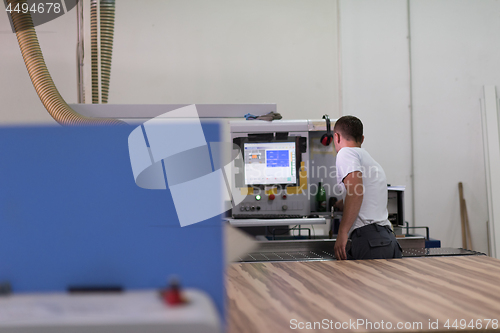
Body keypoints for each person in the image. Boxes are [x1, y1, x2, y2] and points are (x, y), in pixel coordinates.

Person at [332, 115, 402, 260]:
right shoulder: (371, 161)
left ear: (336, 137)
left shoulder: (345, 153)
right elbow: (363, 193)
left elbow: (356, 192)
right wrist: (342, 203)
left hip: (370, 241)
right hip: (388, 239)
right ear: (362, 139)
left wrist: (342, 232)